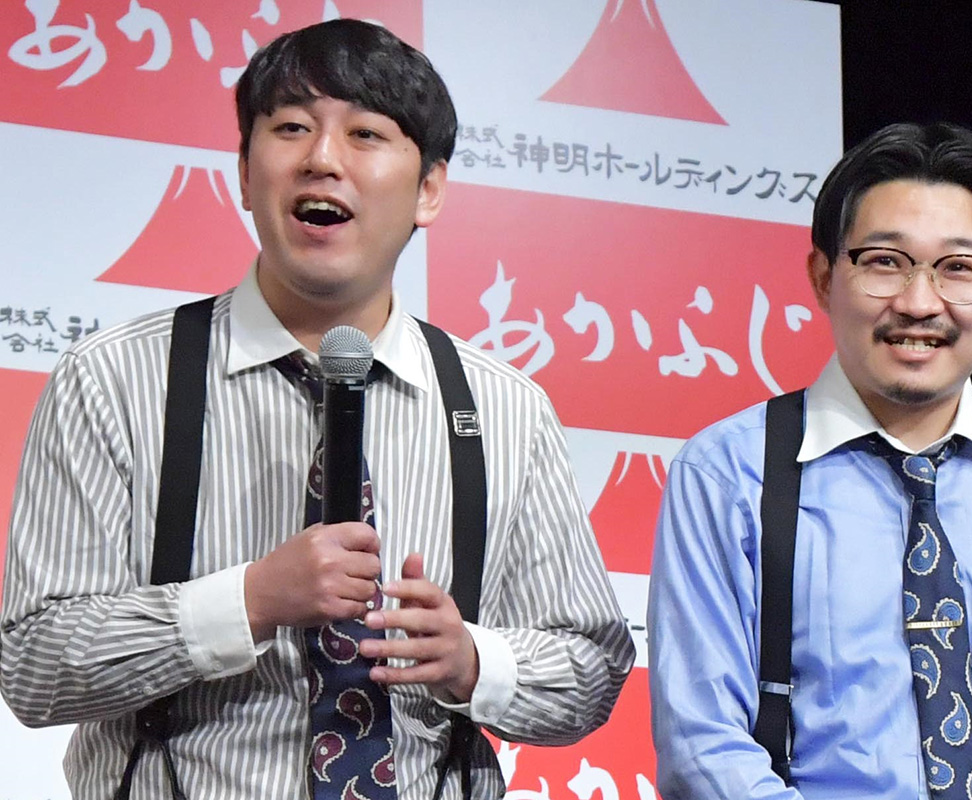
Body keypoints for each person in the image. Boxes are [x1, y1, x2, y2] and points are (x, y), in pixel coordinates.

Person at [0, 19, 634, 799]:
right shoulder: (112, 379)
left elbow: (591, 670)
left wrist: (473, 661)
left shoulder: (506, 409)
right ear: (243, 172)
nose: (323, 158)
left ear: (429, 189)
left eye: (365, 133)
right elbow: (33, 665)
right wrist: (249, 601)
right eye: (292, 128)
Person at [648, 122, 972, 799]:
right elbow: (702, 746)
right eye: (885, 262)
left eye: (959, 268)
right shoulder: (729, 476)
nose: (919, 303)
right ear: (824, 276)